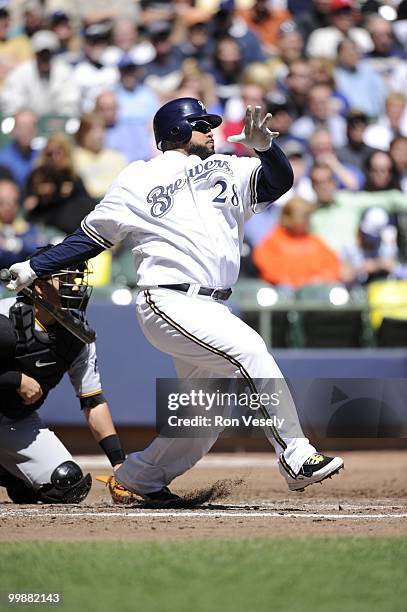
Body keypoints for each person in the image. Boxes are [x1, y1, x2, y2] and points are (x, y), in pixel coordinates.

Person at [5, 98, 344, 503]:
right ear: (177, 131)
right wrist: (37, 265)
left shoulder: (230, 166)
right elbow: (91, 237)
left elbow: (277, 183)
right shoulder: (139, 177)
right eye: (202, 124)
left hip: (214, 305)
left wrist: (266, 149)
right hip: (170, 300)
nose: (211, 130)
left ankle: (137, 478)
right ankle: (296, 454)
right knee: (250, 348)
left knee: (206, 414)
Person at [0, 251, 126, 503]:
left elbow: (93, 402)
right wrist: (15, 379)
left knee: (66, 483)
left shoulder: (79, 335)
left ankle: (10, 473)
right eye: (65, 277)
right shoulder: (5, 318)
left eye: (76, 276)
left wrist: (120, 465)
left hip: (14, 419)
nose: (75, 284)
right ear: (38, 287)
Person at [252, 196, 341, 288]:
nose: (307, 221)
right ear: (288, 217)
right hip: (284, 295)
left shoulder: (314, 241)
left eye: (308, 217)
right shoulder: (274, 240)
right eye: (303, 217)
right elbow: (266, 268)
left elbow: (333, 267)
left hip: (312, 294)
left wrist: (320, 279)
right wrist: (295, 283)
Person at [1, 29, 80, 117]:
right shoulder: (21, 72)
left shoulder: (64, 72)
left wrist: (61, 117)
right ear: (35, 54)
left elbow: (70, 101)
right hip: (28, 123)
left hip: (56, 122)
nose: (45, 58)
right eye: (41, 54)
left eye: (48, 54)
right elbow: (11, 101)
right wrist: (24, 115)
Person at [0, 177, 45, 269]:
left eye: (12, 201)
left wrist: (15, 244)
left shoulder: (27, 228)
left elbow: (40, 248)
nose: (7, 207)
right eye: (2, 202)